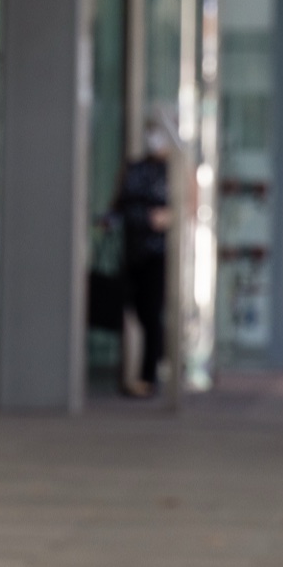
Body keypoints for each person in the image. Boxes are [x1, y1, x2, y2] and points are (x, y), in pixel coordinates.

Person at [112, 116, 174, 395]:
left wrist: (167, 218)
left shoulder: (174, 171)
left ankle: (149, 376)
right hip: (134, 248)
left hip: (160, 253)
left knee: (152, 314)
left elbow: (187, 208)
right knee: (135, 309)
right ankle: (144, 371)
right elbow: (120, 204)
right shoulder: (135, 169)